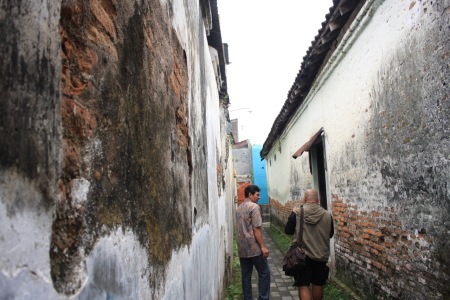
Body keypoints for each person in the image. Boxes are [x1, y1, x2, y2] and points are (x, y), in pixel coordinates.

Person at [285, 189, 334, 300]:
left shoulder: (297, 212)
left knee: (303, 284)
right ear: (318, 200)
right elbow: (330, 234)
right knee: (318, 283)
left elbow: (288, 230)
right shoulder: (327, 215)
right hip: (321, 254)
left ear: (305, 198)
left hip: (302, 255)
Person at [236, 184, 270, 300]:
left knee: (246, 276)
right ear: (250, 194)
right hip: (254, 248)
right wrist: (263, 247)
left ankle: (248, 298)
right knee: (264, 273)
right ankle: (263, 298)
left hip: (242, 248)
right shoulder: (254, 207)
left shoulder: (239, 207)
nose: (259, 197)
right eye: (257, 195)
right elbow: (256, 228)